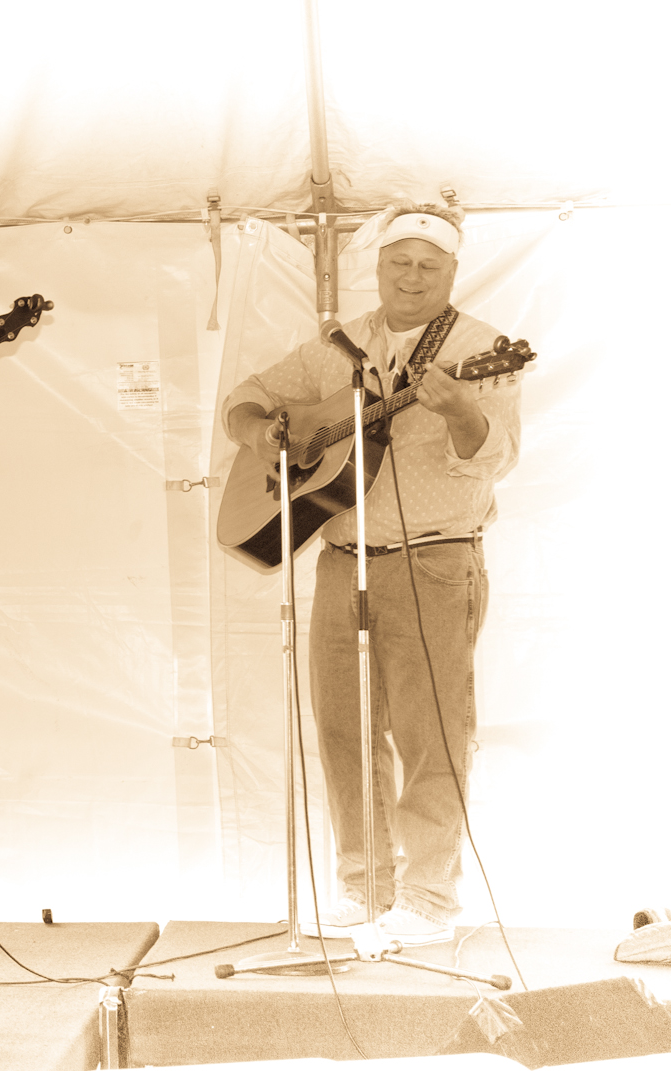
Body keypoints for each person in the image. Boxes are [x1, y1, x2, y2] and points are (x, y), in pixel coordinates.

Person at [222, 203, 522, 947]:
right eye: (400, 262)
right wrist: (261, 433)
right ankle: (365, 886)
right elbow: (244, 399)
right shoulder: (339, 345)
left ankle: (428, 898)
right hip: (343, 560)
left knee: (430, 732)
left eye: (429, 266)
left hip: (436, 559)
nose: (412, 277)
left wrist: (460, 411)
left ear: (452, 273)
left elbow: (495, 456)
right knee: (343, 729)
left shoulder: (482, 349)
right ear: (379, 266)